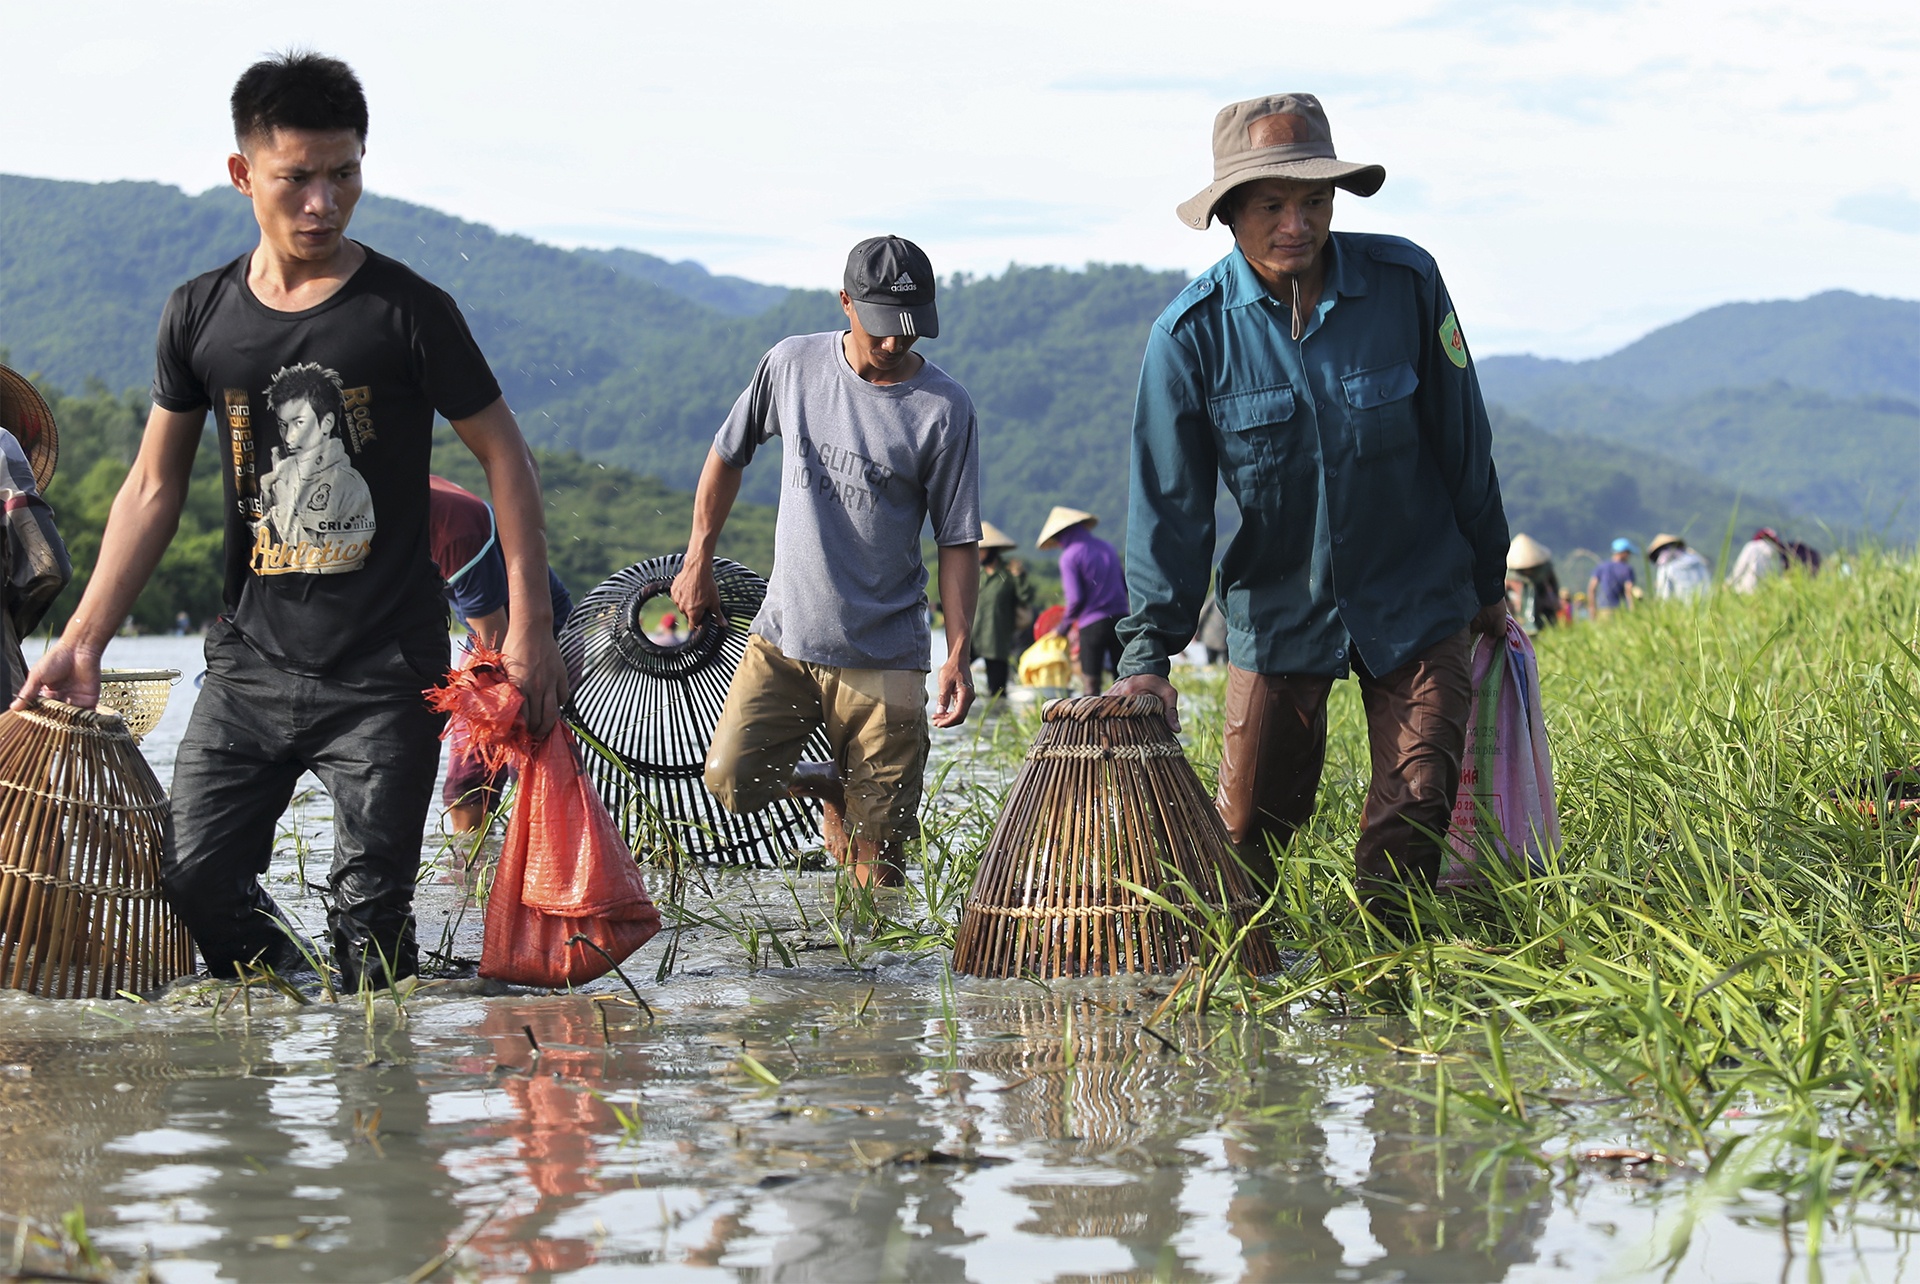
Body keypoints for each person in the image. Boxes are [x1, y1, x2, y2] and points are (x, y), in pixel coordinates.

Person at [13, 54, 566, 989]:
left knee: (370, 914)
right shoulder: (200, 313)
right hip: (247, 668)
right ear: (244, 176)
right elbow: (153, 487)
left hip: (387, 676)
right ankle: (293, 1004)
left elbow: (504, 457)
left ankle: (373, 1086)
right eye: (297, 178)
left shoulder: (408, 311)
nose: (324, 202)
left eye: (343, 174)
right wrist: (81, 638)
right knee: (194, 880)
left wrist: (533, 632)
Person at [1107, 92, 1510, 916]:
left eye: (1314, 201)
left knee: (1418, 797)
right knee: (1255, 826)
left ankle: (1382, 983)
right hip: (1280, 609)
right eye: (1272, 205)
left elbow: (1464, 441)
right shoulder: (1190, 337)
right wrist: (1149, 656)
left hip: (1417, 592)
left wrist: (1489, 579)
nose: (1298, 223)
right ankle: (1244, 986)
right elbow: (1170, 507)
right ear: (1229, 214)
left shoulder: (1407, 285)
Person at [671, 235, 980, 889]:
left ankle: (865, 986)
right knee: (729, 779)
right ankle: (828, 782)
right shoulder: (791, 366)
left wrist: (957, 650)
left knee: (882, 863)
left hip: (886, 651)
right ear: (846, 303)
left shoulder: (944, 409)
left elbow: (956, 538)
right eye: (882, 329)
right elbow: (728, 453)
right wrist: (699, 554)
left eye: (911, 329)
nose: (896, 345)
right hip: (787, 640)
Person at [428, 474, 574, 834]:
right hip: (479, 632)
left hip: (539, 635)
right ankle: (470, 868)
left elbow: (495, 641)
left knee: (523, 753)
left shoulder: (452, 527)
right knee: (466, 782)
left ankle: (548, 862)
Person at [1038, 505, 1128, 696]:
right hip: (1121, 620)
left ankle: (1094, 725)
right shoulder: (1107, 548)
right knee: (1122, 681)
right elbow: (1124, 584)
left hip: (1093, 625)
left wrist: (1063, 628)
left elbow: (1076, 599)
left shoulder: (1069, 557)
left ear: (1061, 535)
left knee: (1091, 686)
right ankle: (1125, 724)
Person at [972, 521, 1036, 699]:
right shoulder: (977, 575)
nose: (977, 554)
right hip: (973, 637)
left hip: (996, 640)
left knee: (997, 692)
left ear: (992, 550)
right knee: (956, 680)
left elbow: (1026, 598)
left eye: (981, 549)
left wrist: (1020, 576)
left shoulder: (1009, 575)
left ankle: (996, 721)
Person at [1504, 534, 1561, 635]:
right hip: (1518, 611)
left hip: (1543, 607)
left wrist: (1554, 600)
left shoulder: (1544, 572)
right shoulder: (1511, 577)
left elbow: (1554, 585)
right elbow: (1504, 593)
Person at [1647, 533, 1712, 602]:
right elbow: (1707, 582)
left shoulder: (1665, 568)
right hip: (1704, 602)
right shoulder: (1697, 560)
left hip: (1682, 605)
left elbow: (1665, 595)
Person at [1588, 539, 1638, 616]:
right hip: (1620, 610)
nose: (1629, 556)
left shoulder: (1601, 567)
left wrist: (1592, 608)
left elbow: (1592, 588)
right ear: (1623, 553)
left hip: (1602, 610)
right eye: (1628, 553)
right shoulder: (1627, 569)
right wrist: (1632, 611)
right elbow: (1629, 590)